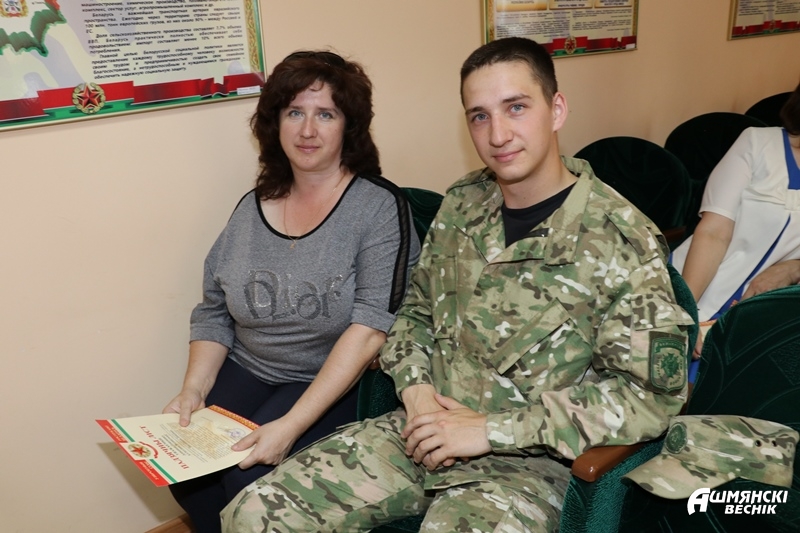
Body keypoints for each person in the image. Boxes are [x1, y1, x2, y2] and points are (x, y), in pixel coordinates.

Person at [220, 37, 693, 532]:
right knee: (254, 513)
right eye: (480, 116)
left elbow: (649, 399)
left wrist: (491, 429)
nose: (499, 134)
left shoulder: (620, 238)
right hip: (417, 434)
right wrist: (416, 390)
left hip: (528, 465)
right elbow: (413, 314)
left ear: (556, 109)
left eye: (516, 107)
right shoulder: (463, 205)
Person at [163, 50, 420, 533]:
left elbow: (371, 328)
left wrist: (292, 426)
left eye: (326, 114)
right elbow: (214, 310)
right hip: (251, 365)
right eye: (294, 112)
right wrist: (192, 389)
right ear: (274, 123)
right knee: (185, 467)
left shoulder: (378, 207)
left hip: (330, 380)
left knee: (248, 478)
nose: (308, 130)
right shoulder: (251, 207)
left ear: (349, 127)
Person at [671, 82, 800, 357]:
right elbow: (714, 233)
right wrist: (683, 317)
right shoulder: (758, 143)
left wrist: (793, 269)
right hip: (694, 289)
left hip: (767, 319)